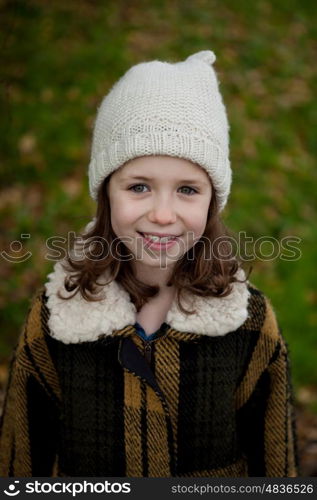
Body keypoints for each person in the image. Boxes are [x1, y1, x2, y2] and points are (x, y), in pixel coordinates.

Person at [0, 50, 299, 477]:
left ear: (213, 201)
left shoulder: (249, 325)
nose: (162, 214)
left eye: (188, 190)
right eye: (139, 186)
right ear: (106, 194)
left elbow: (277, 465)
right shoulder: (55, 320)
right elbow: (19, 459)